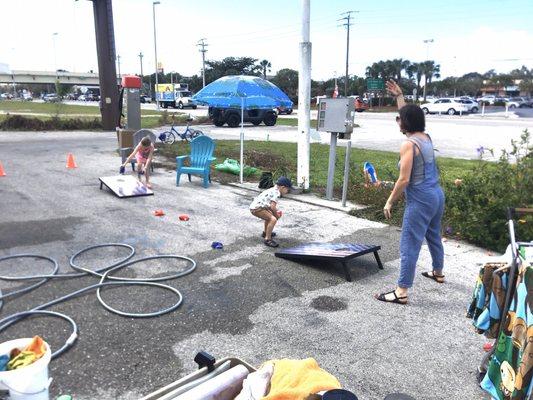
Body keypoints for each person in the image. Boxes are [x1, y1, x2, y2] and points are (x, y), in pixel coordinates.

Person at [375, 80, 445, 305]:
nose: (397, 120)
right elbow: (409, 115)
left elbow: (403, 179)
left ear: (405, 122)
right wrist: (400, 96)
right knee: (433, 235)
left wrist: (389, 202)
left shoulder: (408, 145)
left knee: (409, 244)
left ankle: (401, 291)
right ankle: (438, 272)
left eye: (399, 118)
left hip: (421, 200)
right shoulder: (425, 137)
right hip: (436, 195)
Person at [250, 176, 292, 248]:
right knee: (273, 219)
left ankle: (266, 232)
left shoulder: (273, 189)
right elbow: (272, 207)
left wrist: (273, 212)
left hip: (257, 207)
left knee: (269, 217)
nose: (287, 191)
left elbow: (269, 205)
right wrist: (276, 215)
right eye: (287, 189)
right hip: (257, 208)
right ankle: (268, 239)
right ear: (282, 187)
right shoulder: (277, 193)